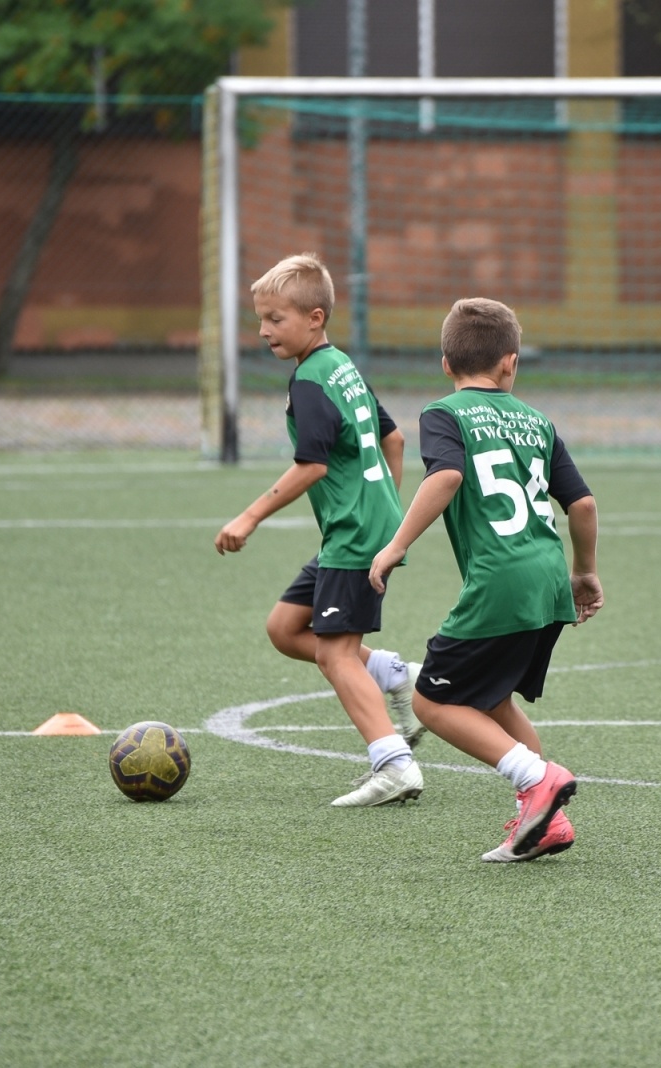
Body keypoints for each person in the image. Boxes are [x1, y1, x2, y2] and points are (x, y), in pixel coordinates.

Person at [368, 298, 603, 863]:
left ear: (445, 364)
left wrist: (395, 545)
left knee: (430, 702)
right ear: (510, 363)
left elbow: (446, 474)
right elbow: (584, 504)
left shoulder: (444, 413)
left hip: (499, 582)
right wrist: (585, 572)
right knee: (494, 698)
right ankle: (547, 821)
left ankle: (537, 780)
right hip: (548, 581)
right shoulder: (537, 421)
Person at [215, 253, 424, 808]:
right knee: (286, 628)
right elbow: (395, 438)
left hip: (355, 534)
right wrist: (386, 506)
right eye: (260, 319)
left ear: (314, 317)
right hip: (364, 526)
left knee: (335, 653)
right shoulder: (340, 366)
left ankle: (394, 763)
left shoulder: (310, 381)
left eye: (276, 319)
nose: (263, 331)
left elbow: (312, 465)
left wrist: (249, 516)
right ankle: (396, 675)